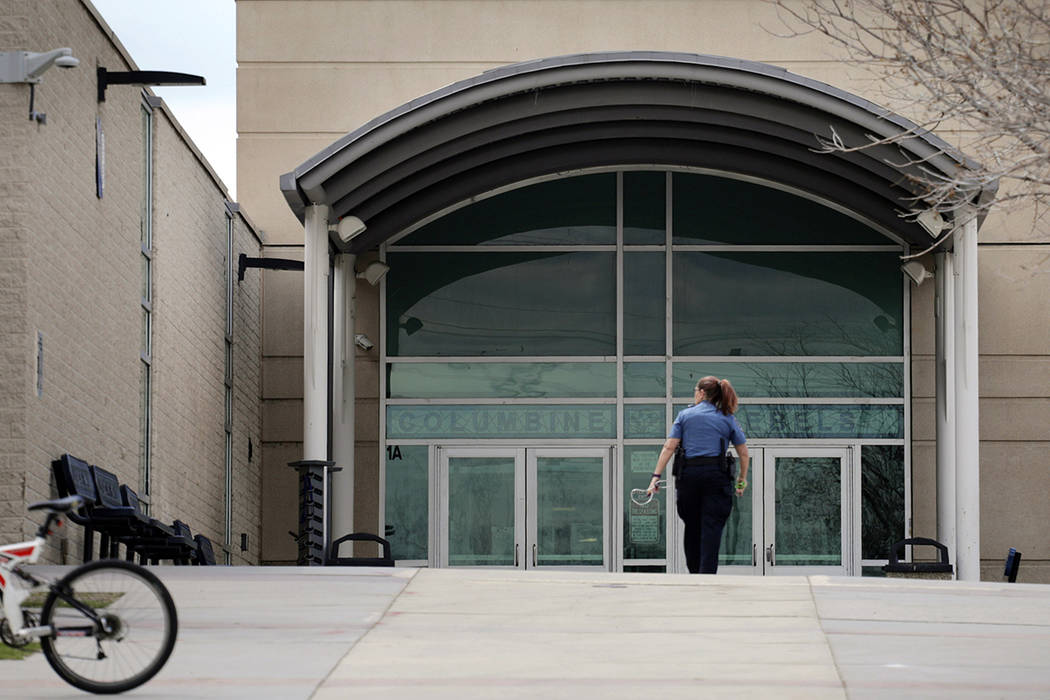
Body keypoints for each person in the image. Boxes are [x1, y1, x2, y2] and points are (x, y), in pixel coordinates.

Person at [647, 376, 749, 574]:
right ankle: (707, 575)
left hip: (689, 476)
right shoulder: (727, 417)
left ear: (702, 393)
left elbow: (669, 446)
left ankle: (694, 573)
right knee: (712, 527)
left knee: (692, 525)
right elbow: (743, 452)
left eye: (695, 390)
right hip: (717, 477)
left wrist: (655, 477)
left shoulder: (685, 416)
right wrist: (741, 480)